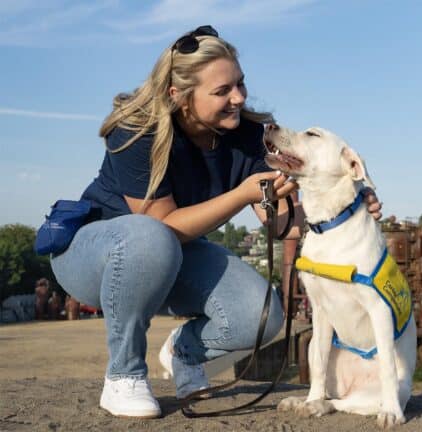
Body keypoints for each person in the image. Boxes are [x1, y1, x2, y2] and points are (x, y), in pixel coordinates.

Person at [50, 25, 382, 419]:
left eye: (240, 84)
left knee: (261, 312)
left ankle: (184, 352)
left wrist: (347, 206)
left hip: (172, 253)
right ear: (180, 96)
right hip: (96, 255)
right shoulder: (137, 130)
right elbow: (163, 224)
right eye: (222, 91)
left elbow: (281, 223)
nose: (238, 98)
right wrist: (242, 193)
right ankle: (124, 375)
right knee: (147, 237)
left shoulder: (249, 137)